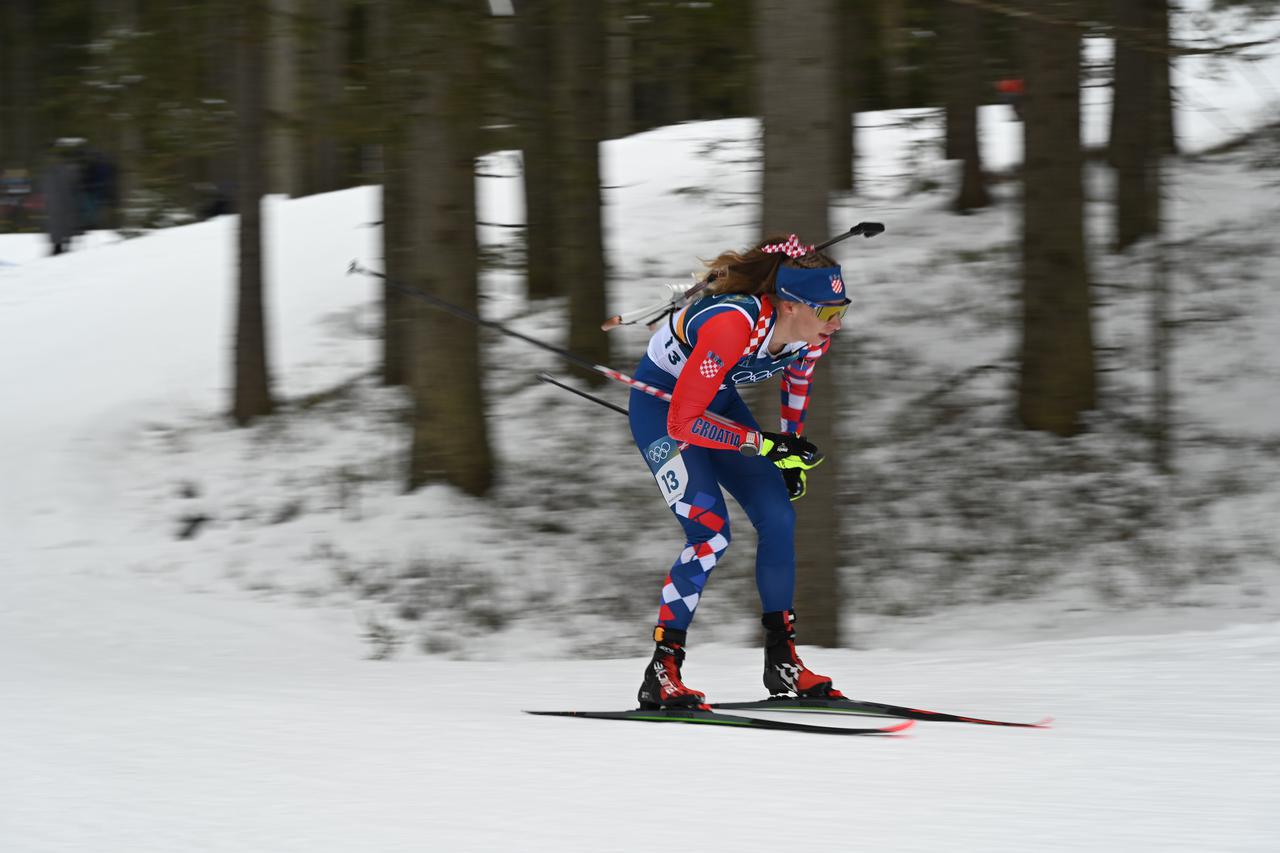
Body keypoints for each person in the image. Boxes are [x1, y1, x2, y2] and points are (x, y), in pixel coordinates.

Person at [629, 233, 850, 709]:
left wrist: (787, 449)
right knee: (710, 533)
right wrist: (763, 443)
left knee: (779, 516)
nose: (836, 324)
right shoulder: (733, 324)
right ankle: (662, 669)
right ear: (790, 306)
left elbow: (796, 389)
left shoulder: (810, 340)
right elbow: (683, 421)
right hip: (663, 408)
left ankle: (782, 659)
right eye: (829, 312)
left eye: (842, 310)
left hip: (717, 406)